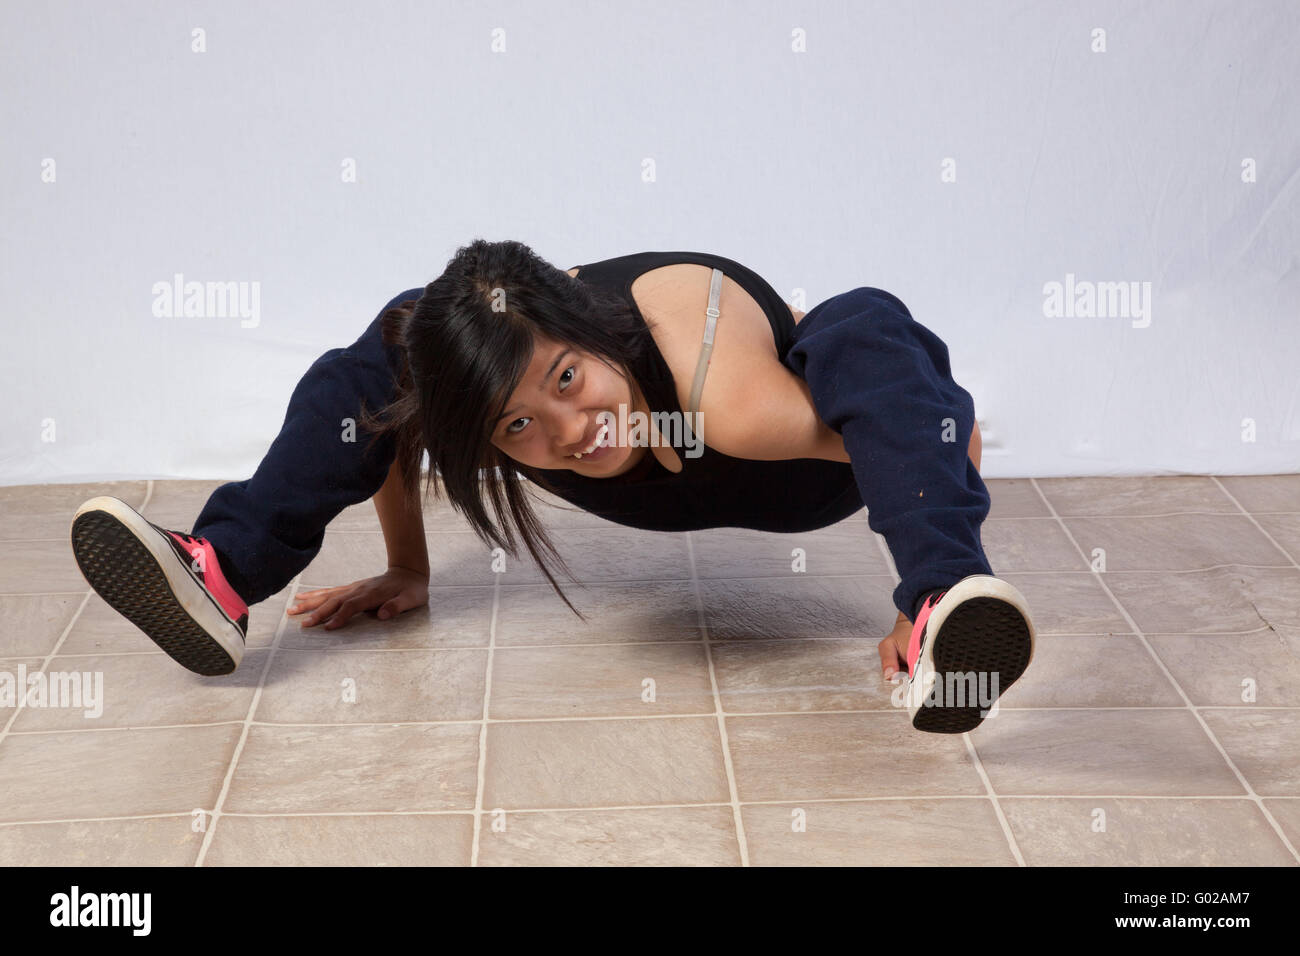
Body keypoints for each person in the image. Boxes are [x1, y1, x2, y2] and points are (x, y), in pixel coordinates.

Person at [69, 239, 1034, 734]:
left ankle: (941, 609)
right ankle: (222, 571)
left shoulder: (722, 391)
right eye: (520, 425)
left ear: (592, 332)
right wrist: (410, 569)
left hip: (798, 463)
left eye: (569, 381)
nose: (570, 434)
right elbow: (391, 427)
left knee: (863, 323)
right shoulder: (499, 405)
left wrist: (927, 565)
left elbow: (950, 431)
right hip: (649, 419)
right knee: (404, 341)